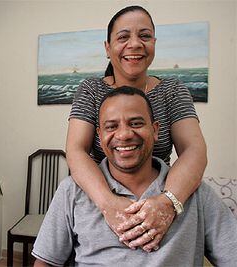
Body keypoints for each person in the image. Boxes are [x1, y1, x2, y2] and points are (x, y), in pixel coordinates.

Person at [33, 87, 236, 266]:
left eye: (136, 123)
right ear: (100, 135)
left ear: (155, 130)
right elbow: (46, 262)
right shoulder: (72, 191)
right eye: (111, 126)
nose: (124, 135)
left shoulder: (197, 194)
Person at [66, 5, 207, 251]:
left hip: (160, 192)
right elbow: (76, 151)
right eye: (123, 37)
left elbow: (194, 150)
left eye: (144, 36)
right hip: (101, 197)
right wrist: (109, 204)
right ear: (107, 48)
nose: (135, 44)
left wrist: (166, 203)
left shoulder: (172, 91)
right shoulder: (90, 90)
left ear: (154, 42)